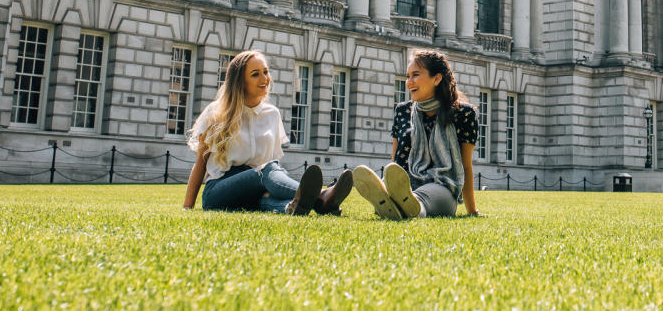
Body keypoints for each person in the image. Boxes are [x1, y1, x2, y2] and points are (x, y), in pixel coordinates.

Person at [182, 51, 352, 214]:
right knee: (266, 170)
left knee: (267, 198)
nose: (264, 79)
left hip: (257, 188)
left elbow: (273, 165)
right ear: (240, 81)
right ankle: (322, 197)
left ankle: (294, 208)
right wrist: (187, 207)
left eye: (266, 72)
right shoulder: (216, 113)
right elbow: (200, 164)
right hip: (219, 192)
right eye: (255, 74)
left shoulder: (272, 114)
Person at [353, 50, 480, 219]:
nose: (409, 82)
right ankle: (392, 199)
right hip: (404, 182)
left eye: (415, 75)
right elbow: (395, 162)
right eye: (407, 76)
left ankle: (403, 204)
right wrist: (390, 181)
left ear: (437, 79)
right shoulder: (402, 111)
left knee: (422, 198)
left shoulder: (463, 113)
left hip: (441, 186)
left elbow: (465, 166)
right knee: (400, 189)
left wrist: (472, 210)